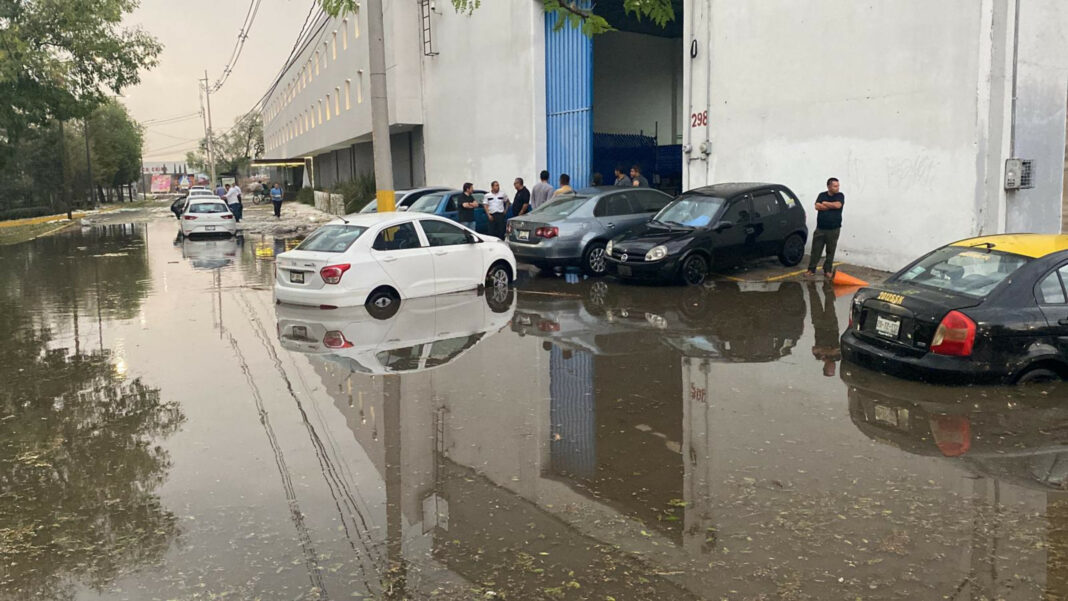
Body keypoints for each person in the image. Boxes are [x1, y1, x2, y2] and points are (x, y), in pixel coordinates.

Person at [806, 177, 845, 278]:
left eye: (838, 186)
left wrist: (825, 204)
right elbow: (817, 206)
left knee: (830, 250)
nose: (837, 188)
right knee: (816, 250)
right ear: (829, 186)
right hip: (820, 228)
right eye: (835, 186)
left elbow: (837, 205)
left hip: (834, 229)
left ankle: (827, 270)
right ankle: (811, 269)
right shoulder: (822, 195)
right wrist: (827, 206)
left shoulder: (840, 195)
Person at [808, 281, 842, 377]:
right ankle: (827, 286)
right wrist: (826, 350)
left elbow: (814, 349)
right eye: (833, 369)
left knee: (814, 302)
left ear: (825, 367)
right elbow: (837, 349)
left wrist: (826, 350)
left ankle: (811, 285)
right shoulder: (837, 357)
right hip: (832, 326)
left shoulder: (819, 357)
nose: (833, 367)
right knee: (829, 303)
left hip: (819, 326)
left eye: (831, 369)